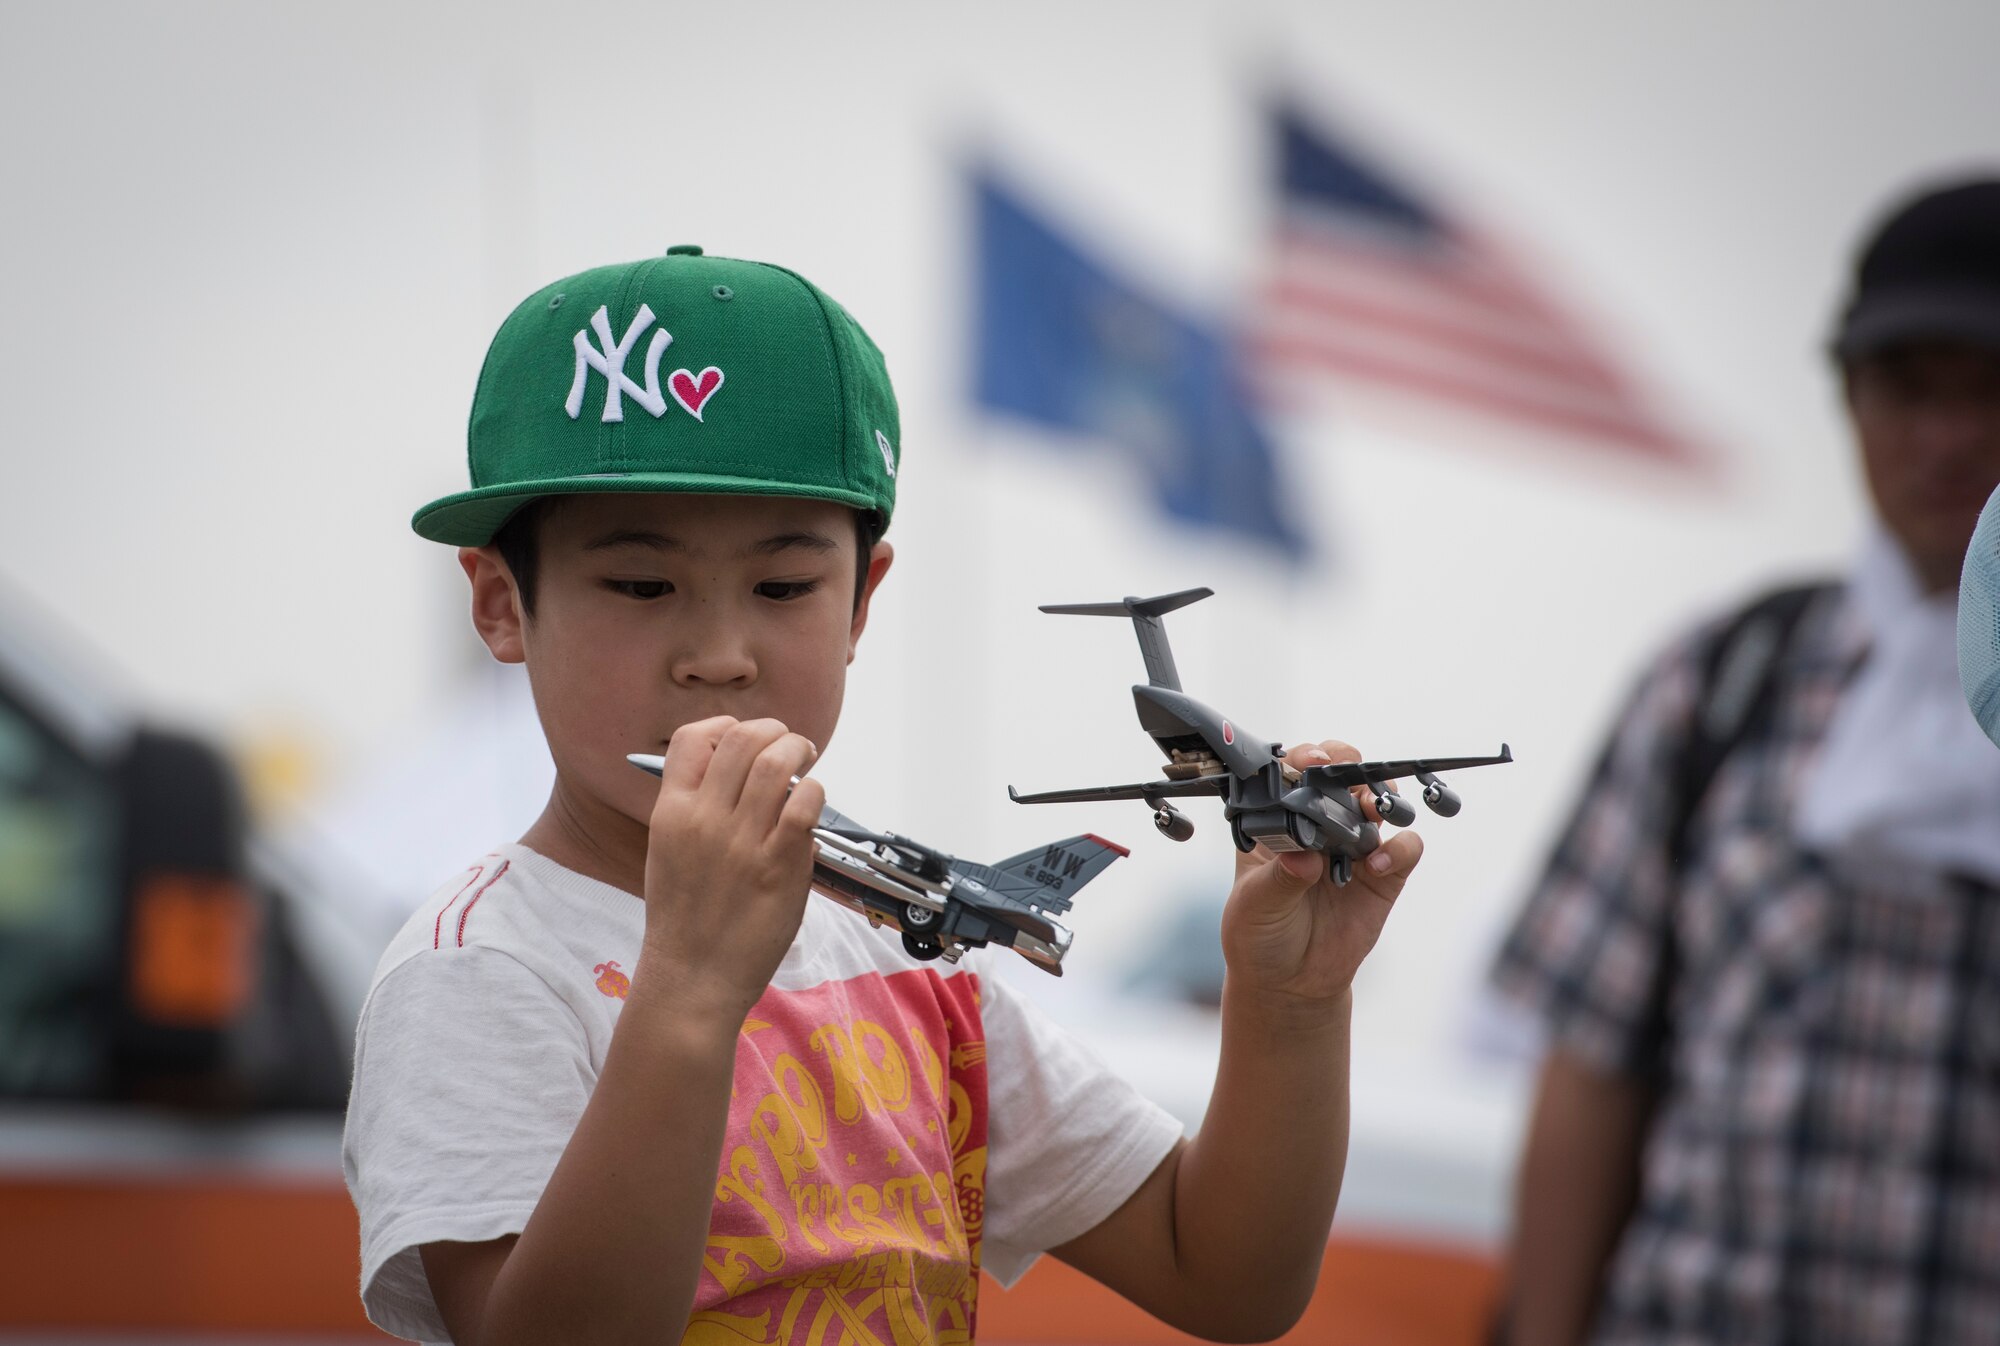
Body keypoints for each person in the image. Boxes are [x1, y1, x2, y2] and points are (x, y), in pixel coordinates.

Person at [342, 247, 1425, 1345]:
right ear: (500, 604)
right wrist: (688, 989)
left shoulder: (894, 958)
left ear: (860, 602)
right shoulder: (477, 969)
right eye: (639, 583)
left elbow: (1226, 1272)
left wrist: (1291, 1002)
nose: (718, 654)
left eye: (781, 585)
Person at [1491, 179, 2000, 1345]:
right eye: (1908, 386)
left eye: (1991, 388)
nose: (1949, 434)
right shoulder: (1720, 679)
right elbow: (1589, 1068)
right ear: (1849, 400)